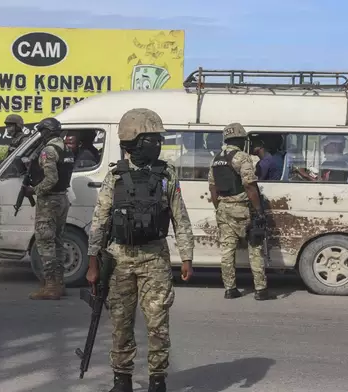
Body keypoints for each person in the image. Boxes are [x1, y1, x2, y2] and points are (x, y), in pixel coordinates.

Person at [85, 108, 194, 392]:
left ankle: (158, 381)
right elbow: (100, 220)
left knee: (158, 324)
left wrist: (186, 257)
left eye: (158, 139)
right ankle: (122, 381)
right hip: (119, 260)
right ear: (134, 141)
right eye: (152, 138)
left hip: (155, 258)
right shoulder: (115, 177)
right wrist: (93, 263)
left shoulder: (166, 174)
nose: (157, 144)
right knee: (120, 324)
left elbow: (179, 217)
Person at [208, 123, 271, 300]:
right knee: (255, 247)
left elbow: (212, 189)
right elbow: (250, 186)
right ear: (241, 140)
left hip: (223, 208)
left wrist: (219, 208)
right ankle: (260, 289)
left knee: (227, 251)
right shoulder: (242, 157)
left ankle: (230, 289)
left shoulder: (216, 159)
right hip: (242, 209)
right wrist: (259, 211)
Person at [25, 117, 75, 300]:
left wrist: (34, 190)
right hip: (62, 198)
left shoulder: (49, 151)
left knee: (45, 241)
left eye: (42, 132)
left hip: (49, 201)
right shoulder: (66, 149)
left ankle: (51, 286)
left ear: (47, 132)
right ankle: (59, 283)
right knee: (58, 242)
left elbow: (51, 179)